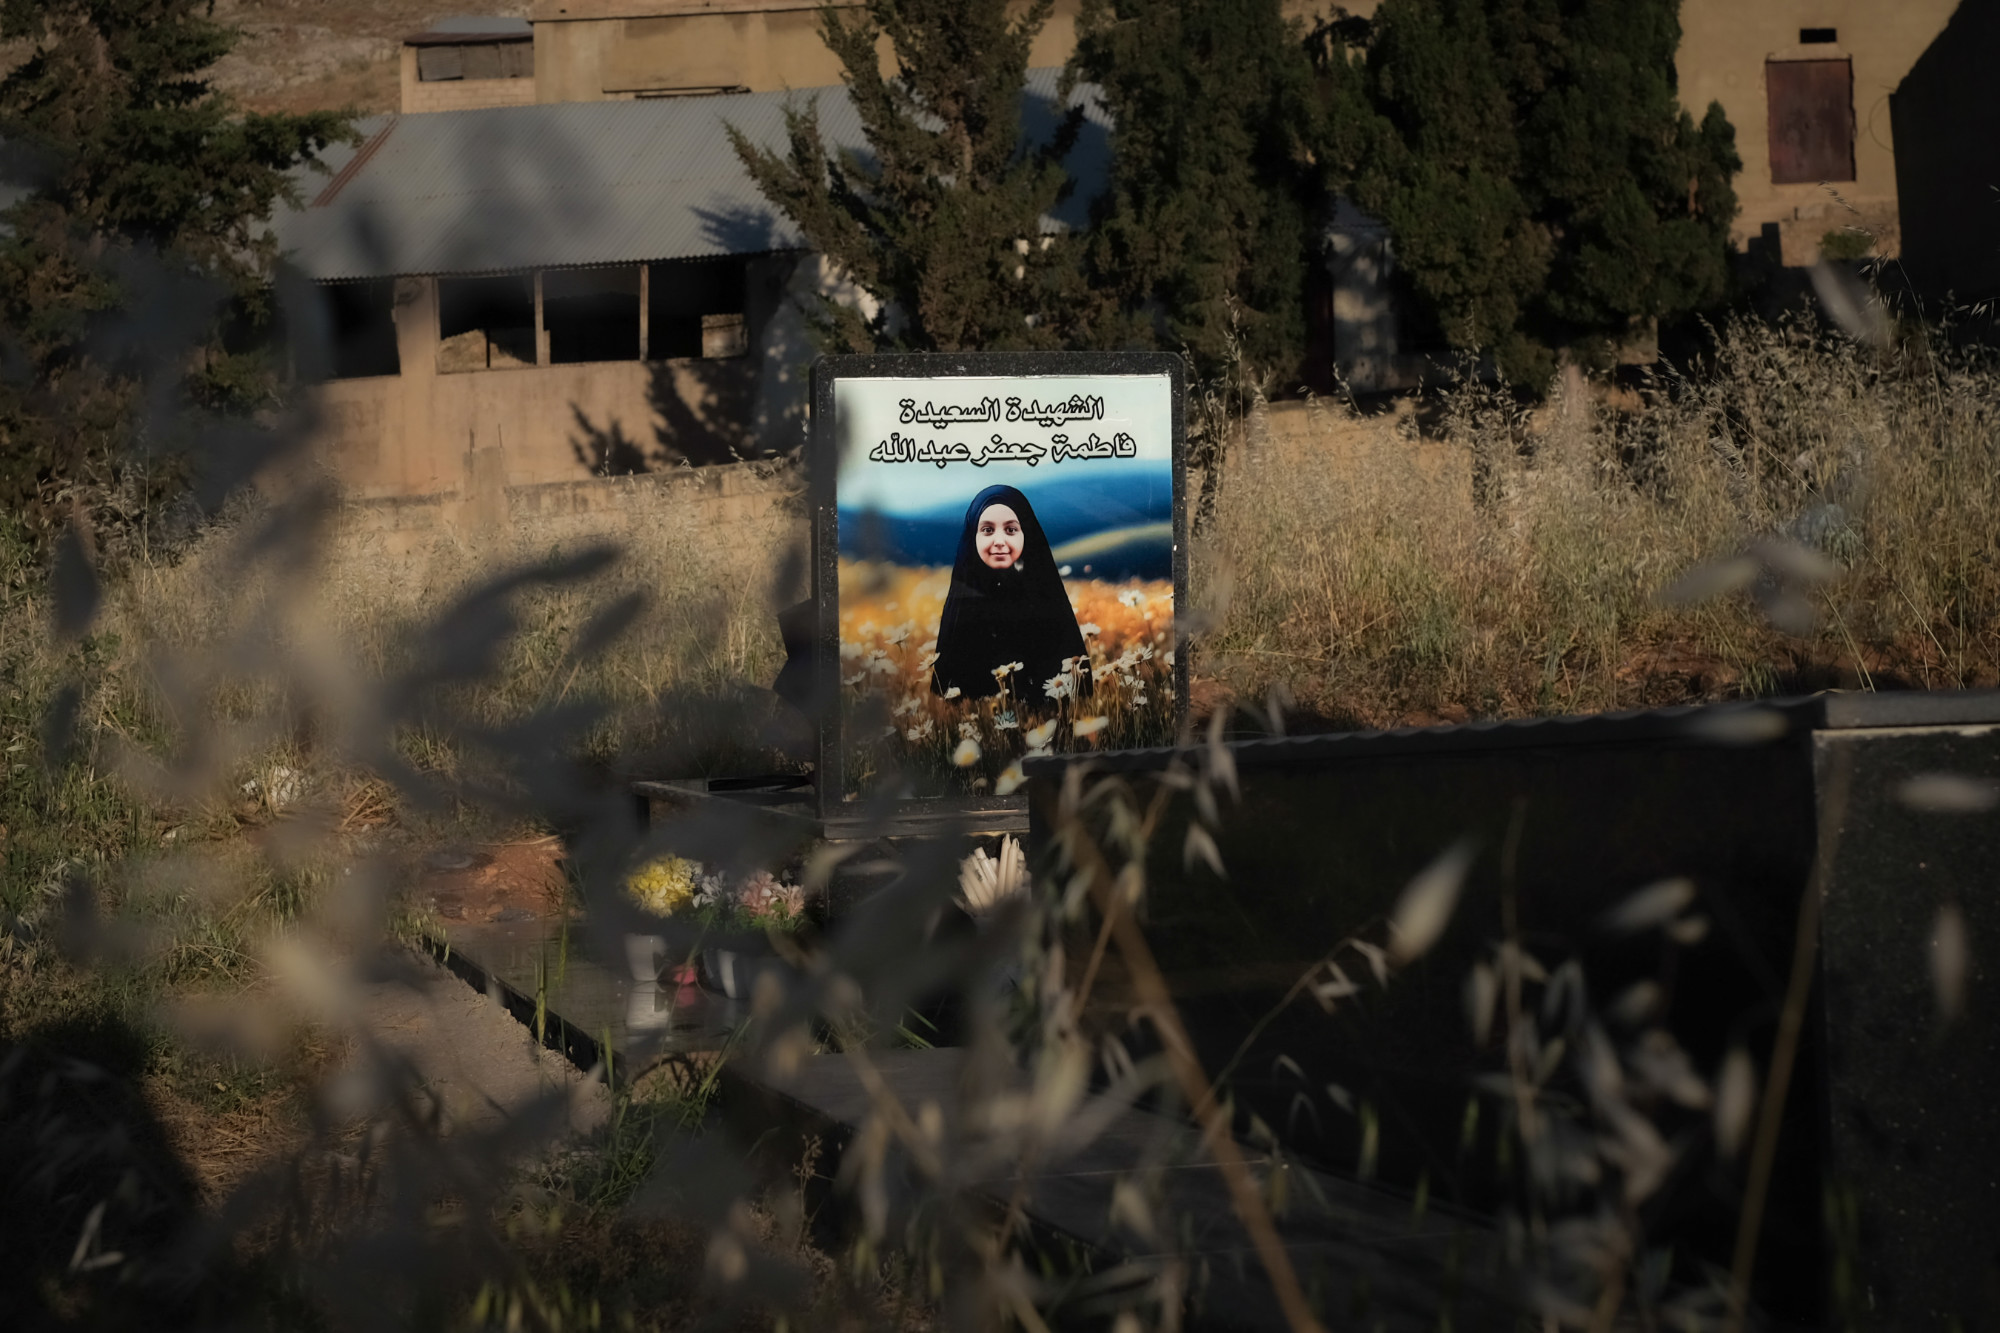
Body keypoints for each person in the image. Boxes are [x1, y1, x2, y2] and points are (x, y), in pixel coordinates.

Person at [930, 484, 1090, 703]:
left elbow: (1073, 692)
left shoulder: (1047, 602)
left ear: (1027, 533)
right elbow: (948, 699)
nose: (999, 541)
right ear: (972, 536)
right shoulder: (961, 607)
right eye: (987, 530)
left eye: (1011, 530)